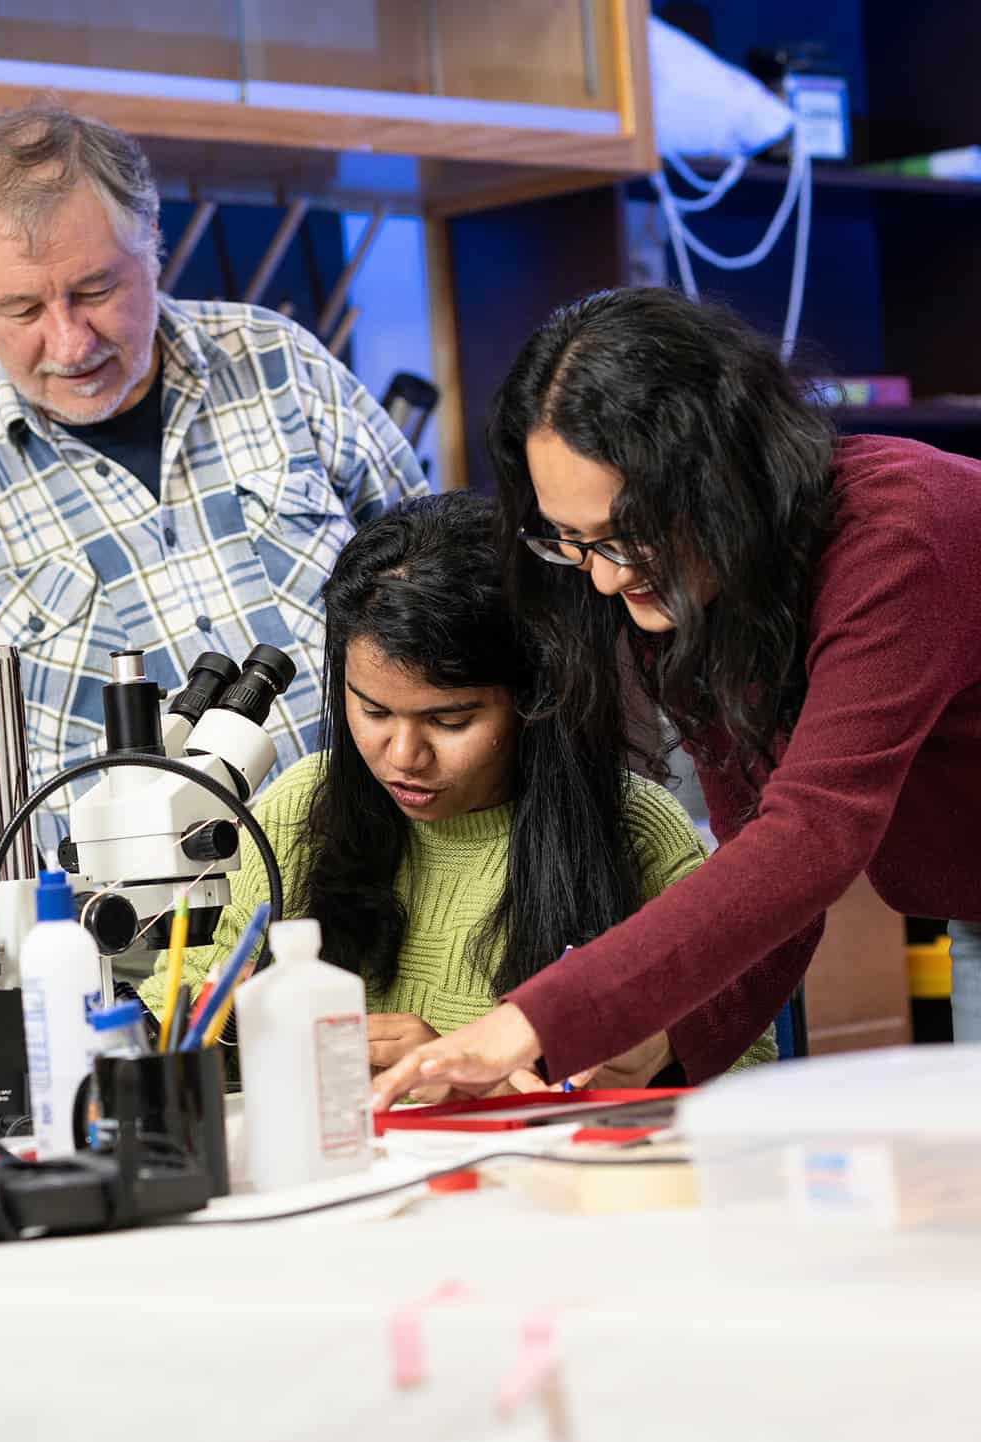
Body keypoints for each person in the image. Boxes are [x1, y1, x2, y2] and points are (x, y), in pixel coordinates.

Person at [0, 104, 425, 1101]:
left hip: (395, 940)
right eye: (21, 311)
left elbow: (447, 602)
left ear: (155, 244)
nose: (69, 339)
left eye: (97, 289)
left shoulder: (280, 370)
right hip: (135, 1007)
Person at [373, 287, 981, 1108]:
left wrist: (538, 1016)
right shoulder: (690, 589)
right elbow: (764, 875)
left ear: (723, 473)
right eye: (573, 540)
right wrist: (663, 1036)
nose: (608, 574)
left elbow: (812, 834)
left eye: (630, 532)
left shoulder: (903, 534)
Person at [142, 491, 776, 1085]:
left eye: (450, 720)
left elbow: (742, 1063)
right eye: (374, 712)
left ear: (535, 697)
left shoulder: (635, 831)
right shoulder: (299, 810)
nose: (404, 756)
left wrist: (465, 1068)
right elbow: (183, 1004)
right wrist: (236, 1033)